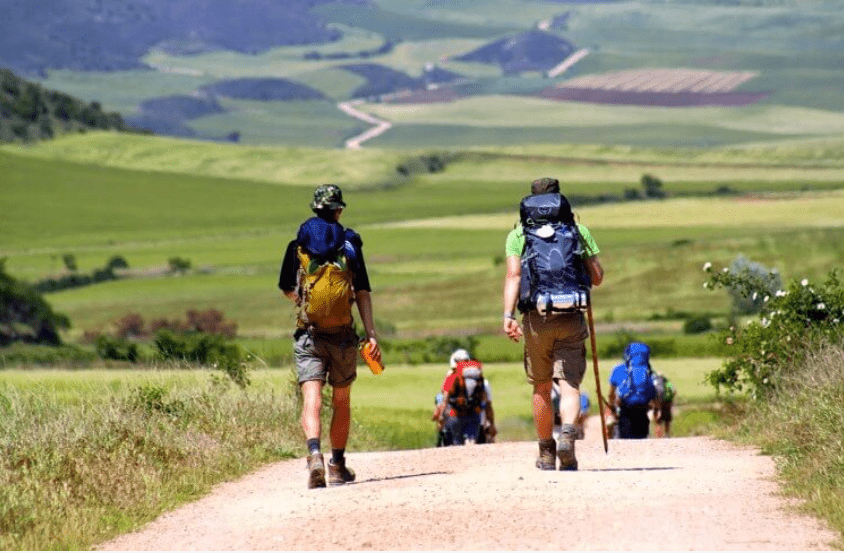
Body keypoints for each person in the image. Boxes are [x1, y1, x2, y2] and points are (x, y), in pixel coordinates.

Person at [278, 184, 381, 489]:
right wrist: (371, 334)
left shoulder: (297, 245)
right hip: (343, 336)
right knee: (341, 400)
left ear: (315, 209)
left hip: (309, 335)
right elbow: (361, 292)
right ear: (338, 210)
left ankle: (314, 455)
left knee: (311, 398)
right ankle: (337, 465)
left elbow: (287, 288)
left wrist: (305, 304)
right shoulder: (350, 245)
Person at [503, 177, 604, 471]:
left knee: (541, 386)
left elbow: (514, 276)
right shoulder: (578, 231)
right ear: (560, 200)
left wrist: (508, 316)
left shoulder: (518, 234)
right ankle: (568, 434)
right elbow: (597, 277)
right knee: (570, 384)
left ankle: (546, 452)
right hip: (572, 315)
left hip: (537, 319)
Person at [432, 354, 490, 446]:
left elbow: (445, 395)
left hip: (455, 415)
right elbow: (485, 398)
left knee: (457, 443)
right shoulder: (478, 376)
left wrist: (441, 416)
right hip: (474, 414)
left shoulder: (453, 376)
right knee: (472, 441)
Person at [607, 342, 658, 440]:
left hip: (625, 411)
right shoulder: (648, 371)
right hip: (643, 412)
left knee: (626, 442)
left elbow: (611, 394)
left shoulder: (618, 369)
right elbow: (654, 393)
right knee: (641, 441)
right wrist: (656, 409)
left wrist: (612, 409)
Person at [652, 371, 675, 438]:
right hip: (667, 403)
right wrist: (671, 400)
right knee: (667, 420)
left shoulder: (655, 382)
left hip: (658, 403)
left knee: (658, 420)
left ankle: (657, 436)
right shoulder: (668, 383)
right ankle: (667, 434)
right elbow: (673, 391)